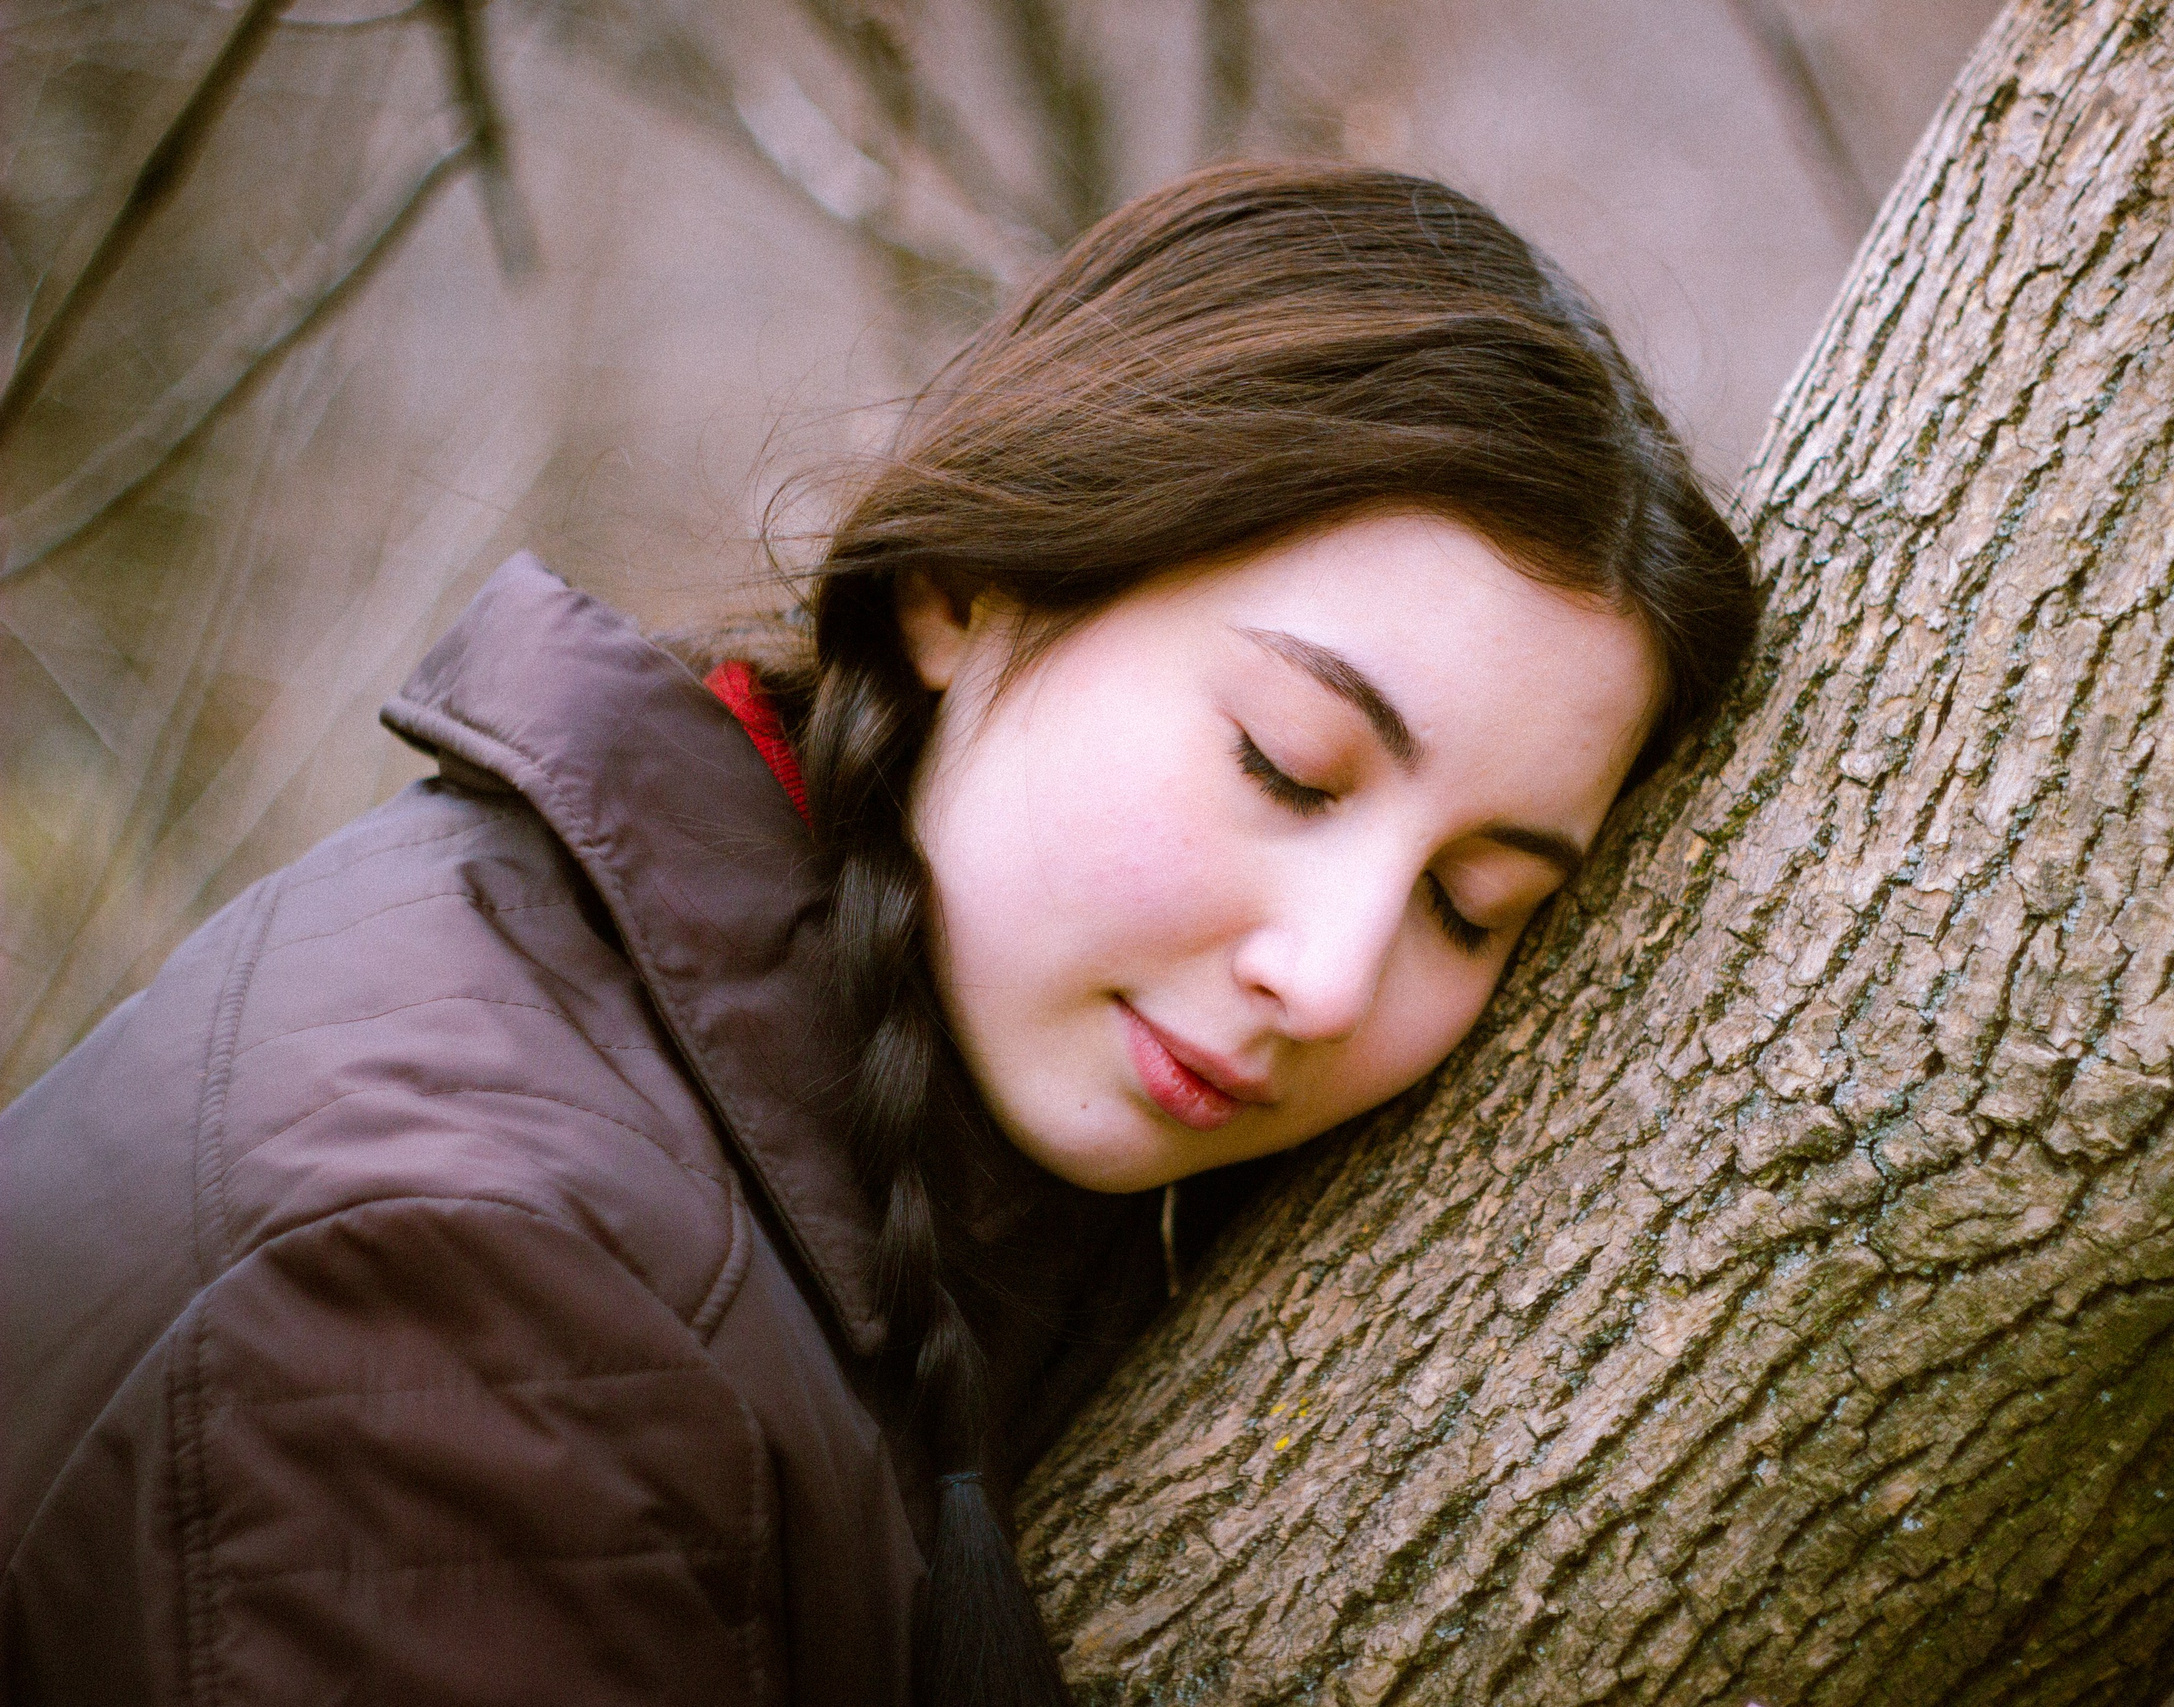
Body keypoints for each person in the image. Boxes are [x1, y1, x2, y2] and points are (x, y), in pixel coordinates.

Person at [0, 162, 1755, 1706]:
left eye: (1474, 906)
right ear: (966, 585)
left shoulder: (806, 1116)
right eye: (1286, 768)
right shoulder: (485, 1301)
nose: (1333, 976)